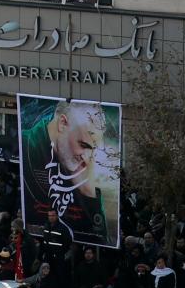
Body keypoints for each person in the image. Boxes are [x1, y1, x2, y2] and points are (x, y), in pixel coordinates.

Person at [20, 97, 118, 246]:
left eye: (94, 150)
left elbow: (98, 240)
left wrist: (88, 193)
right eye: (84, 145)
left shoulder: (78, 167)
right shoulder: (25, 146)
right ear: (62, 123)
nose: (87, 158)